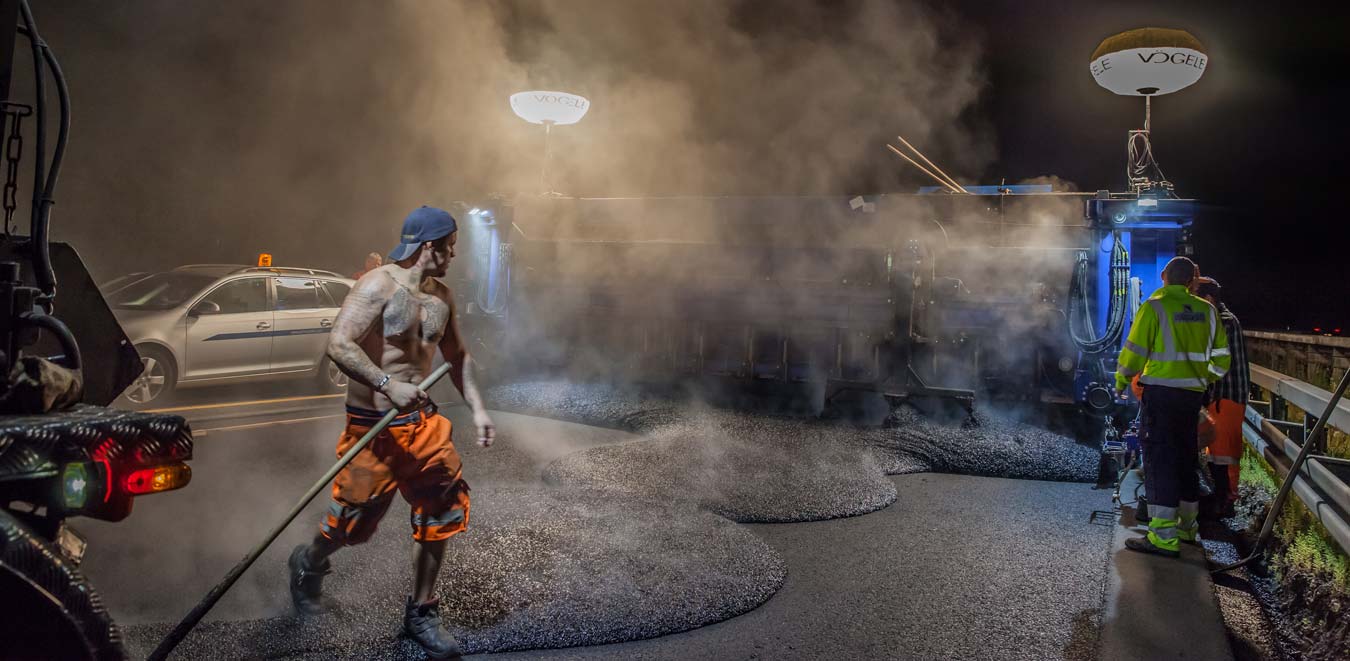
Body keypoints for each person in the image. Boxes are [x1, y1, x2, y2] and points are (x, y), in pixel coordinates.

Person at [288, 206, 495, 659]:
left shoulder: (442, 296)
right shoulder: (377, 285)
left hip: (422, 428)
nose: (454, 253)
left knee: (440, 513)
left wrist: (478, 409)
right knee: (351, 526)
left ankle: (422, 612)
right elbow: (338, 344)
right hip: (372, 429)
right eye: (449, 245)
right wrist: (386, 383)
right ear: (428, 246)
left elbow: (457, 359)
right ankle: (310, 562)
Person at [1114, 257, 1230, 558]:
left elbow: (1134, 352)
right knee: (1185, 460)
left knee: (1160, 463)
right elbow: (1222, 360)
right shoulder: (1207, 311)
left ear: (1164, 276)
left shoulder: (1154, 307)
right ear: (1193, 280)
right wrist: (1202, 379)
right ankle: (1186, 530)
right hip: (1192, 397)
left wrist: (1120, 381)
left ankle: (1163, 538)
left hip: (1162, 396)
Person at [1191, 276, 1249, 518]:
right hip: (1220, 395)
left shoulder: (1223, 321)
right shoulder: (1222, 318)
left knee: (1223, 455)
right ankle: (1222, 499)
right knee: (1217, 453)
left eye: (1196, 297)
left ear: (1209, 299)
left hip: (1226, 395)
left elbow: (1210, 357)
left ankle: (1227, 503)